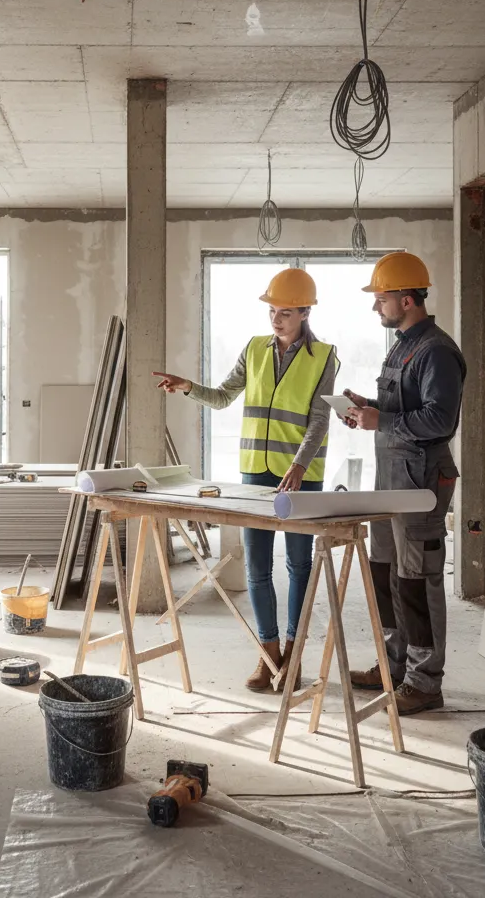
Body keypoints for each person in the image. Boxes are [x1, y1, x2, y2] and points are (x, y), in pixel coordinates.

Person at [153, 268, 338, 692]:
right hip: (255, 472)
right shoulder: (255, 349)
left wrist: (299, 463)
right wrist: (187, 388)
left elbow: (319, 420)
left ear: (305, 313)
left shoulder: (324, 356)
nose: (276, 319)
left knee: (299, 566)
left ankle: (294, 652)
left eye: (285, 312)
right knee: (256, 567)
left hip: (301, 477)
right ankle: (268, 652)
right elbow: (221, 397)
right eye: (272, 311)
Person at [341, 251, 466, 715]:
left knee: (418, 581)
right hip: (392, 481)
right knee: (385, 574)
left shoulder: (436, 350)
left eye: (382, 299)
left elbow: (440, 418)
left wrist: (382, 421)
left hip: (421, 481)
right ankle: (394, 666)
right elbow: (402, 408)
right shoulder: (402, 344)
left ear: (407, 299)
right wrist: (367, 407)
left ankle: (424, 681)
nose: (377, 308)